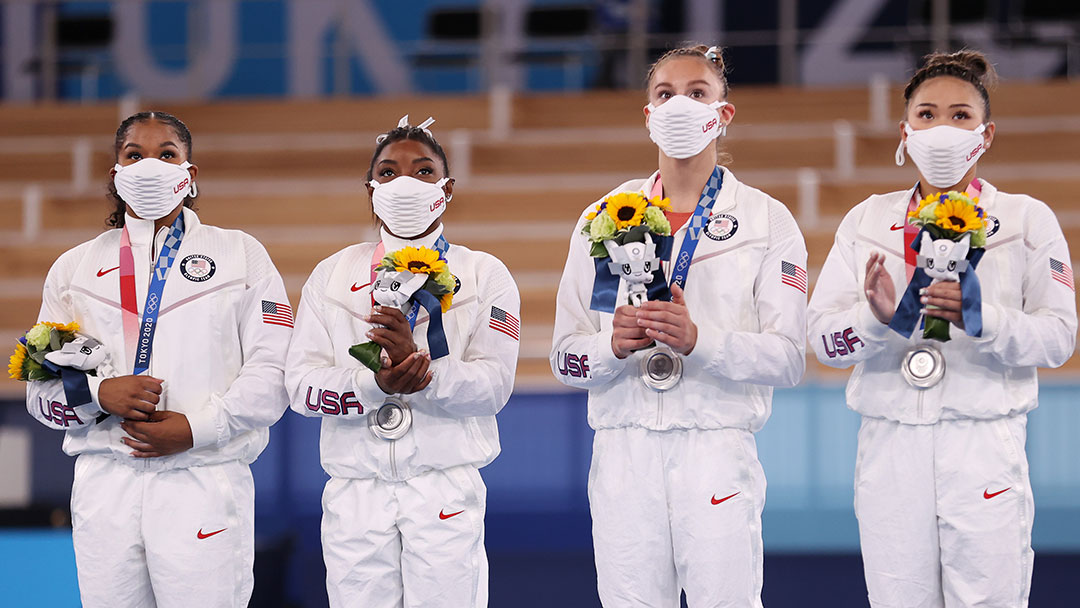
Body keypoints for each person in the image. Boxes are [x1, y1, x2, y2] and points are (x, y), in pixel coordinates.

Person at [807, 50, 1077, 607]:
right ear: (906, 131)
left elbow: (1058, 340)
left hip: (983, 442)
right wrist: (876, 321)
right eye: (927, 115)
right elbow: (824, 343)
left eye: (960, 115)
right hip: (891, 443)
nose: (942, 129)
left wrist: (984, 319)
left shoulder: (1028, 220)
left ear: (986, 133)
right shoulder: (866, 220)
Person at [550, 44, 807, 607]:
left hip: (715, 449)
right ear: (648, 116)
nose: (680, 106)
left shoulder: (767, 221)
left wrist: (701, 342)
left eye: (697, 94)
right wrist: (610, 349)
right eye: (665, 95)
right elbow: (565, 358)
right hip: (624, 454)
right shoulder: (601, 219)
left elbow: (789, 358)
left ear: (723, 113)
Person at [24, 111, 292, 607]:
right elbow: (39, 396)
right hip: (105, 483)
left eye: (167, 154)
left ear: (189, 176)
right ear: (116, 175)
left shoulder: (240, 254)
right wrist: (98, 395)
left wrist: (197, 428)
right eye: (134, 155)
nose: (150, 165)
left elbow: (273, 374)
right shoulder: (73, 269)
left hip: (203, 477)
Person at [285, 116, 520, 608]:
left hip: (443, 488)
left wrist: (424, 372)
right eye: (388, 173)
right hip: (355, 491)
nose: (405, 183)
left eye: (424, 171)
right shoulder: (332, 274)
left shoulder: (484, 273)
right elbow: (301, 388)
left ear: (447, 188)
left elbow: (494, 388)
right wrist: (375, 385)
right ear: (370, 189)